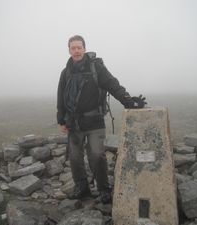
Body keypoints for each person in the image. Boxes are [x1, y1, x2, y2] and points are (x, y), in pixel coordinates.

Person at [56, 35, 146, 204]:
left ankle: (104, 189)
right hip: (73, 123)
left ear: (84, 48)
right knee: (75, 158)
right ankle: (82, 188)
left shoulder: (96, 67)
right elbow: (61, 96)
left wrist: (128, 100)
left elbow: (112, 85)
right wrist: (61, 119)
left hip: (94, 121)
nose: (76, 51)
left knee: (97, 155)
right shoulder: (66, 72)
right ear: (69, 50)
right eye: (73, 48)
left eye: (79, 47)